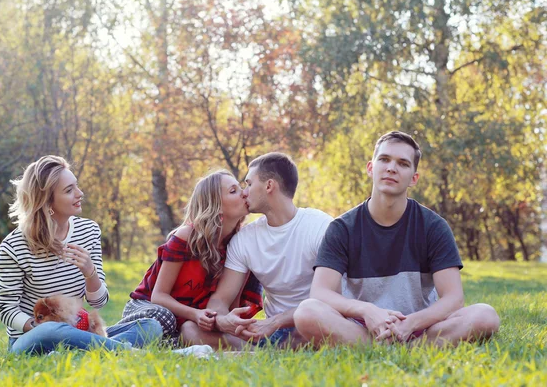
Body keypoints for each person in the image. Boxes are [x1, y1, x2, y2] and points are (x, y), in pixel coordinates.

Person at [294, 131, 500, 347]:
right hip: (361, 328)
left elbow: (454, 299)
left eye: (402, 163)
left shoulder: (434, 227)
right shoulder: (342, 228)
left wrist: (410, 323)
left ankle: (403, 348)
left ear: (414, 178)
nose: (391, 168)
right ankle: (380, 347)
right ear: (370, 168)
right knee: (307, 312)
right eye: (384, 159)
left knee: (485, 316)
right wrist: (368, 310)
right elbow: (320, 292)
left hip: (420, 328)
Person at [0, 155, 162, 354]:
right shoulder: (13, 246)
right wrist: (41, 327)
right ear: (46, 202)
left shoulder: (89, 231)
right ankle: (128, 353)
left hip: (80, 331)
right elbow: (7, 309)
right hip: (33, 338)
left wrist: (90, 272)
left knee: (151, 326)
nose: (79, 193)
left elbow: (98, 302)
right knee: (51, 330)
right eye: (69, 190)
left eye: (76, 186)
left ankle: (77, 353)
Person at [184, 153, 333, 349]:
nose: (244, 193)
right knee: (189, 330)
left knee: (311, 330)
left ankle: (265, 352)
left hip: (312, 326)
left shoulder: (320, 226)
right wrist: (223, 320)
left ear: (269, 186)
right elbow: (220, 299)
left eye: (248, 184)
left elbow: (328, 298)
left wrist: (275, 321)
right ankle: (258, 352)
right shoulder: (245, 239)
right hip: (272, 332)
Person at [121, 170, 263, 349]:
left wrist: (227, 322)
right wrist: (195, 314)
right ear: (216, 205)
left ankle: (249, 350)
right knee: (164, 320)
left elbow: (228, 303)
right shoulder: (187, 237)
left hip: (191, 319)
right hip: (149, 308)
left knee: (188, 331)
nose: (244, 192)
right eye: (233, 191)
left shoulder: (239, 243)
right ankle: (110, 339)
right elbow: (158, 296)